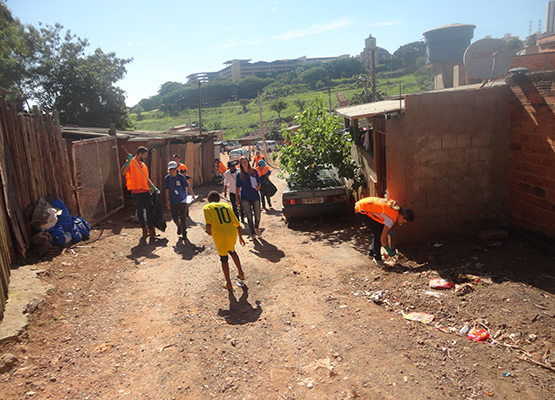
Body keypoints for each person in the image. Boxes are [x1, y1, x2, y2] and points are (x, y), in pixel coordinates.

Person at [203, 191, 246, 290]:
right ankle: (241, 272)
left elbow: (208, 224)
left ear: (209, 200)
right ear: (219, 199)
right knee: (232, 251)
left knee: (224, 259)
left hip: (219, 234)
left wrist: (209, 232)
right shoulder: (226, 205)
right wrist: (240, 237)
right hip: (231, 231)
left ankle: (229, 283)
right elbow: (236, 223)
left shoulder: (207, 207)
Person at [355, 197, 414, 266]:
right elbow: (383, 239)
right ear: (402, 216)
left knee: (378, 230)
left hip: (363, 204)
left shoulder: (395, 208)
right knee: (378, 232)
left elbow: (383, 220)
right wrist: (389, 251)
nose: (402, 223)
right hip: (361, 209)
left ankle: (371, 254)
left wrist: (387, 231)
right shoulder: (391, 218)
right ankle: (377, 258)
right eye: (404, 221)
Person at [121, 146, 156, 238]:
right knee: (140, 212)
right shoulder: (131, 162)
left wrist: (153, 187)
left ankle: (151, 229)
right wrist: (127, 162)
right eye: (145, 155)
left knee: (150, 211)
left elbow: (146, 178)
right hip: (136, 192)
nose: (146, 157)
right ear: (140, 154)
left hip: (146, 191)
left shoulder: (143, 165)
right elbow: (123, 172)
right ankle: (144, 229)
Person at [165, 161, 195, 240]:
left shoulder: (181, 177)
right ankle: (179, 226)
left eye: (174, 169)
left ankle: (184, 232)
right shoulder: (167, 178)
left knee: (183, 217)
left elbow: (187, 186)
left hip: (182, 200)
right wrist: (167, 201)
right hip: (173, 200)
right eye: (171, 169)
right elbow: (167, 190)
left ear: (176, 169)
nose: (173, 171)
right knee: (175, 218)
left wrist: (192, 195)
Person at [235, 156, 262, 238]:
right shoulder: (239, 174)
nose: (244, 163)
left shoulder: (254, 171)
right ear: (240, 164)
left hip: (255, 196)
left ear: (248, 162)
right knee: (249, 216)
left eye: (245, 161)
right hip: (245, 197)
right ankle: (252, 233)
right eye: (242, 162)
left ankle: (256, 227)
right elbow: (237, 187)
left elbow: (259, 182)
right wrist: (237, 200)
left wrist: (258, 187)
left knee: (257, 214)